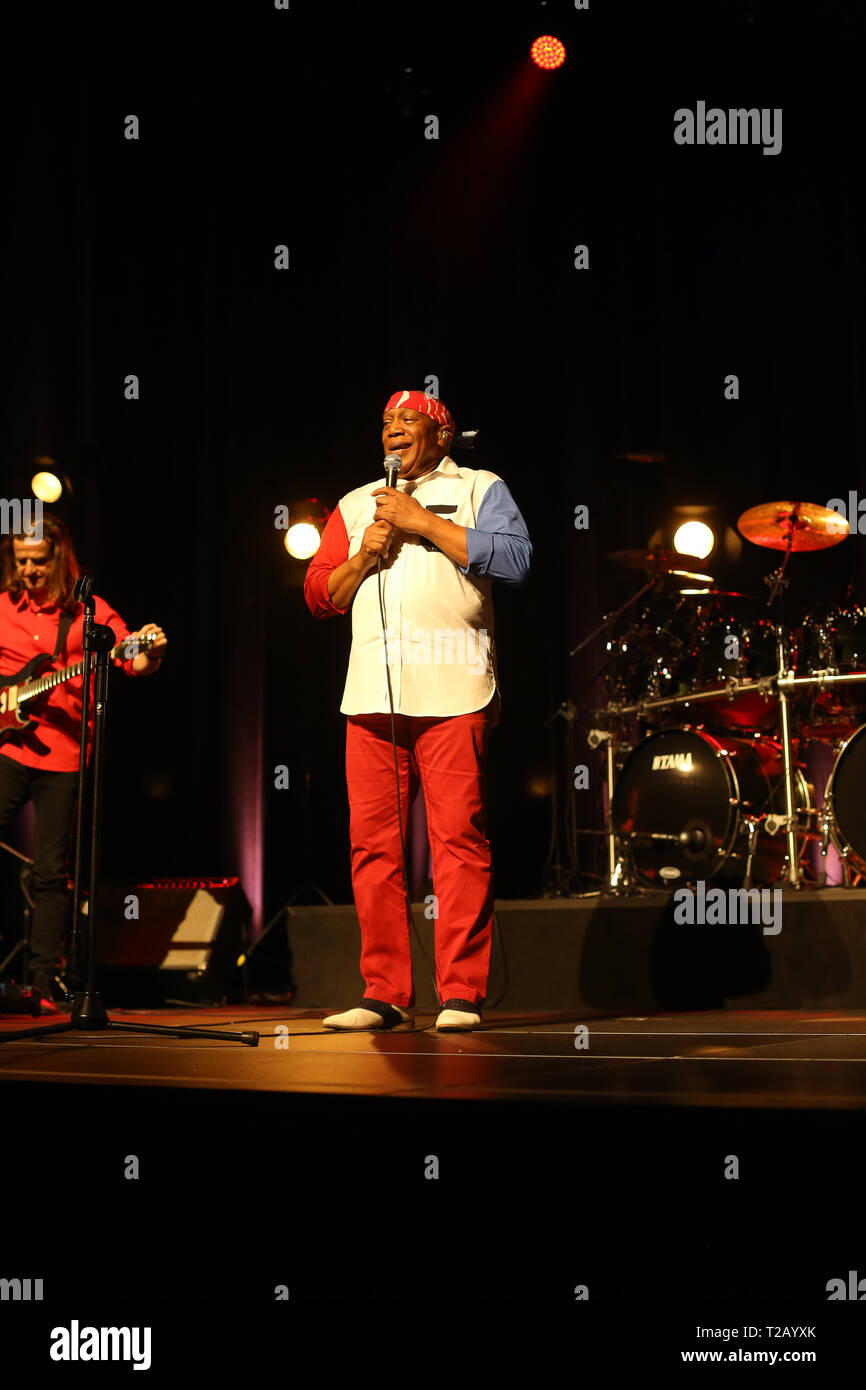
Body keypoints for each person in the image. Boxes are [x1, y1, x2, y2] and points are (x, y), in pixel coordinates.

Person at [304, 389, 531, 1031]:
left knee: (458, 841)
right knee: (372, 847)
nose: (393, 431)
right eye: (385, 423)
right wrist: (365, 554)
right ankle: (384, 991)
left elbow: (516, 561)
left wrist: (421, 521)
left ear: (442, 434)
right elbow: (320, 595)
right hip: (373, 695)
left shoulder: (481, 486)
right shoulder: (354, 505)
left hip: (455, 688)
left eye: (407, 421)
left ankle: (459, 992)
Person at [0, 514, 167, 1012]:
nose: (28, 570)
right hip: (8, 748)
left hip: (66, 754)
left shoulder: (87, 611)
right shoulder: (4, 607)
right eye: (20, 561)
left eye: (37, 560)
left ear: (58, 558)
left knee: (52, 870)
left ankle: (40, 982)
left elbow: (128, 657)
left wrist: (148, 653)